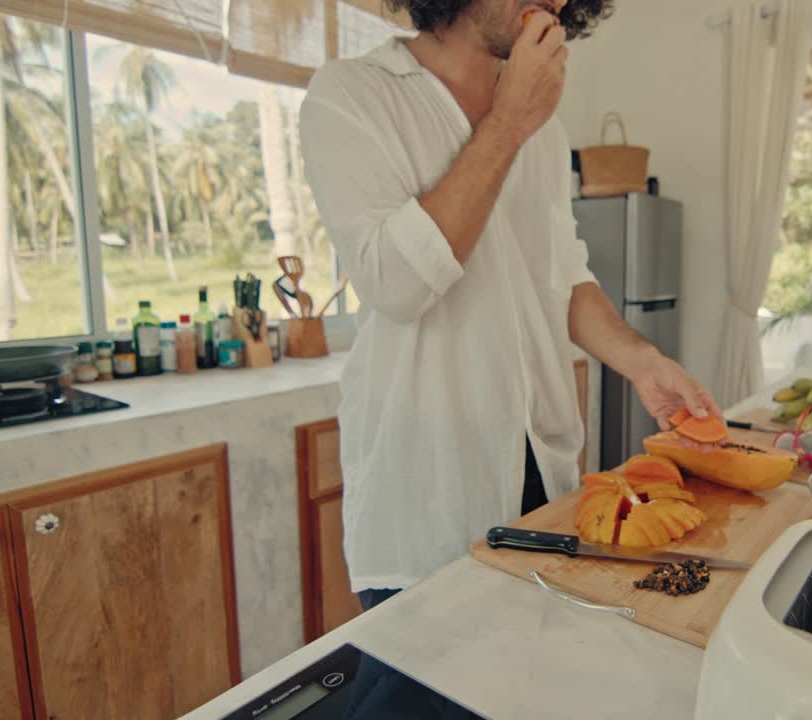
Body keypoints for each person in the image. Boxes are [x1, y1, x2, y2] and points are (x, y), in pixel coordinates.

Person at [299, 0, 720, 612]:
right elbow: (395, 284)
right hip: (425, 492)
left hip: (543, 480)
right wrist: (508, 123)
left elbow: (562, 276)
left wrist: (641, 360)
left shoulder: (543, 127)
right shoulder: (352, 94)